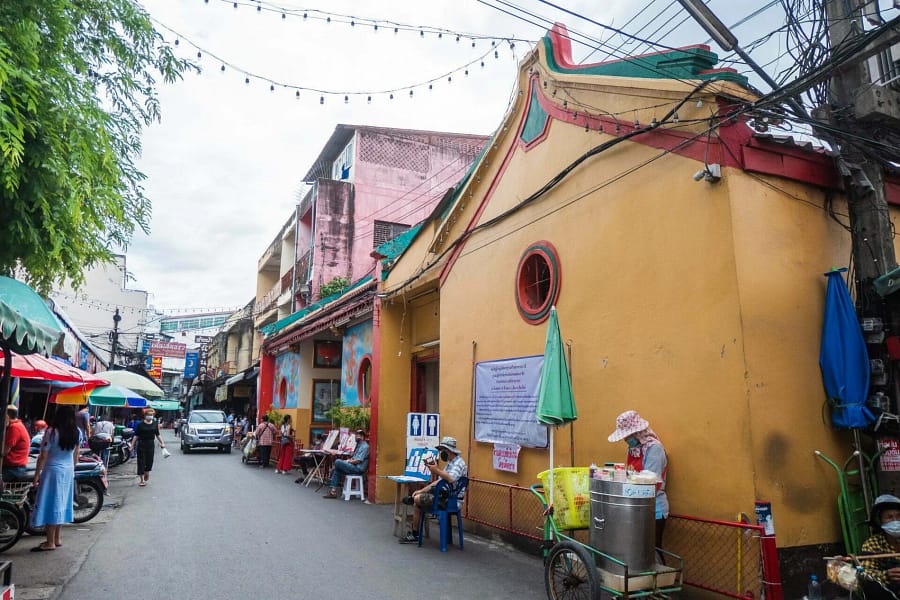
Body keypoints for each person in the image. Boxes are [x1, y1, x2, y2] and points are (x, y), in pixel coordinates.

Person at [608, 410, 669, 549]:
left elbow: (651, 482)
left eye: (628, 435)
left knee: (652, 549)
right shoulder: (633, 450)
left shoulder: (654, 449)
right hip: (635, 506)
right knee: (636, 550)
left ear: (638, 432)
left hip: (654, 508)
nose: (625, 440)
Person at [399, 436, 468, 543]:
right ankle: (415, 533)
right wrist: (422, 491)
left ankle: (415, 534)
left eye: (443, 450)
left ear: (449, 451)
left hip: (450, 500)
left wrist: (436, 470)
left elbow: (451, 479)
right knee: (417, 499)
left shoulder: (458, 463)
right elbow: (439, 481)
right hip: (443, 496)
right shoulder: (450, 463)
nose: (441, 453)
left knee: (417, 501)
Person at [30, 405, 79, 552]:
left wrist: (36, 476)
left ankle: (50, 542)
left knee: (51, 503)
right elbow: (76, 455)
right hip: (68, 470)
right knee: (62, 502)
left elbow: (42, 456)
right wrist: (72, 469)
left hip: (53, 471)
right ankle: (57, 538)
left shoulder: (51, 432)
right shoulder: (77, 432)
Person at [859, 494, 900, 597]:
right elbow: (865, 575)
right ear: (880, 521)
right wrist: (886, 575)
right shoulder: (872, 544)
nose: (895, 521)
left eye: (899, 516)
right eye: (889, 517)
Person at [322, 429, 369, 499]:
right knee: (337, 468)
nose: (356, 437)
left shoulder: (365, 446)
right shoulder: (359, 445)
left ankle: (332, 489)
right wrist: (348, 460)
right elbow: (354, 458)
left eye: (358, 435)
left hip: (358, 468)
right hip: (354, 466)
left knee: (337, 462)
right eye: (356, 435)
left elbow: (358, 461)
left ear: (362, 437)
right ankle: (333, 492)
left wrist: (348, 461)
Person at [131, 408, 166, 487]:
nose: (150, 416)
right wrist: (132, 445)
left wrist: (162, 443)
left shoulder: (154, 423)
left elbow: (158, 434)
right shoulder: (140, 424)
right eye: (149, 415)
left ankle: (147, 472)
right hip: (141, 444)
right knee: (141, 462)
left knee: (149, 461)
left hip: (150, 444)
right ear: (145, 415)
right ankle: (142, 480)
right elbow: (136, 435)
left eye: (151, 415)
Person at [2, 406, 31, 481]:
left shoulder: (14, 427)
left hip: (14, 469)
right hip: (11, 466)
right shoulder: (15, 425)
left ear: (6, 416)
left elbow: (4, 451)